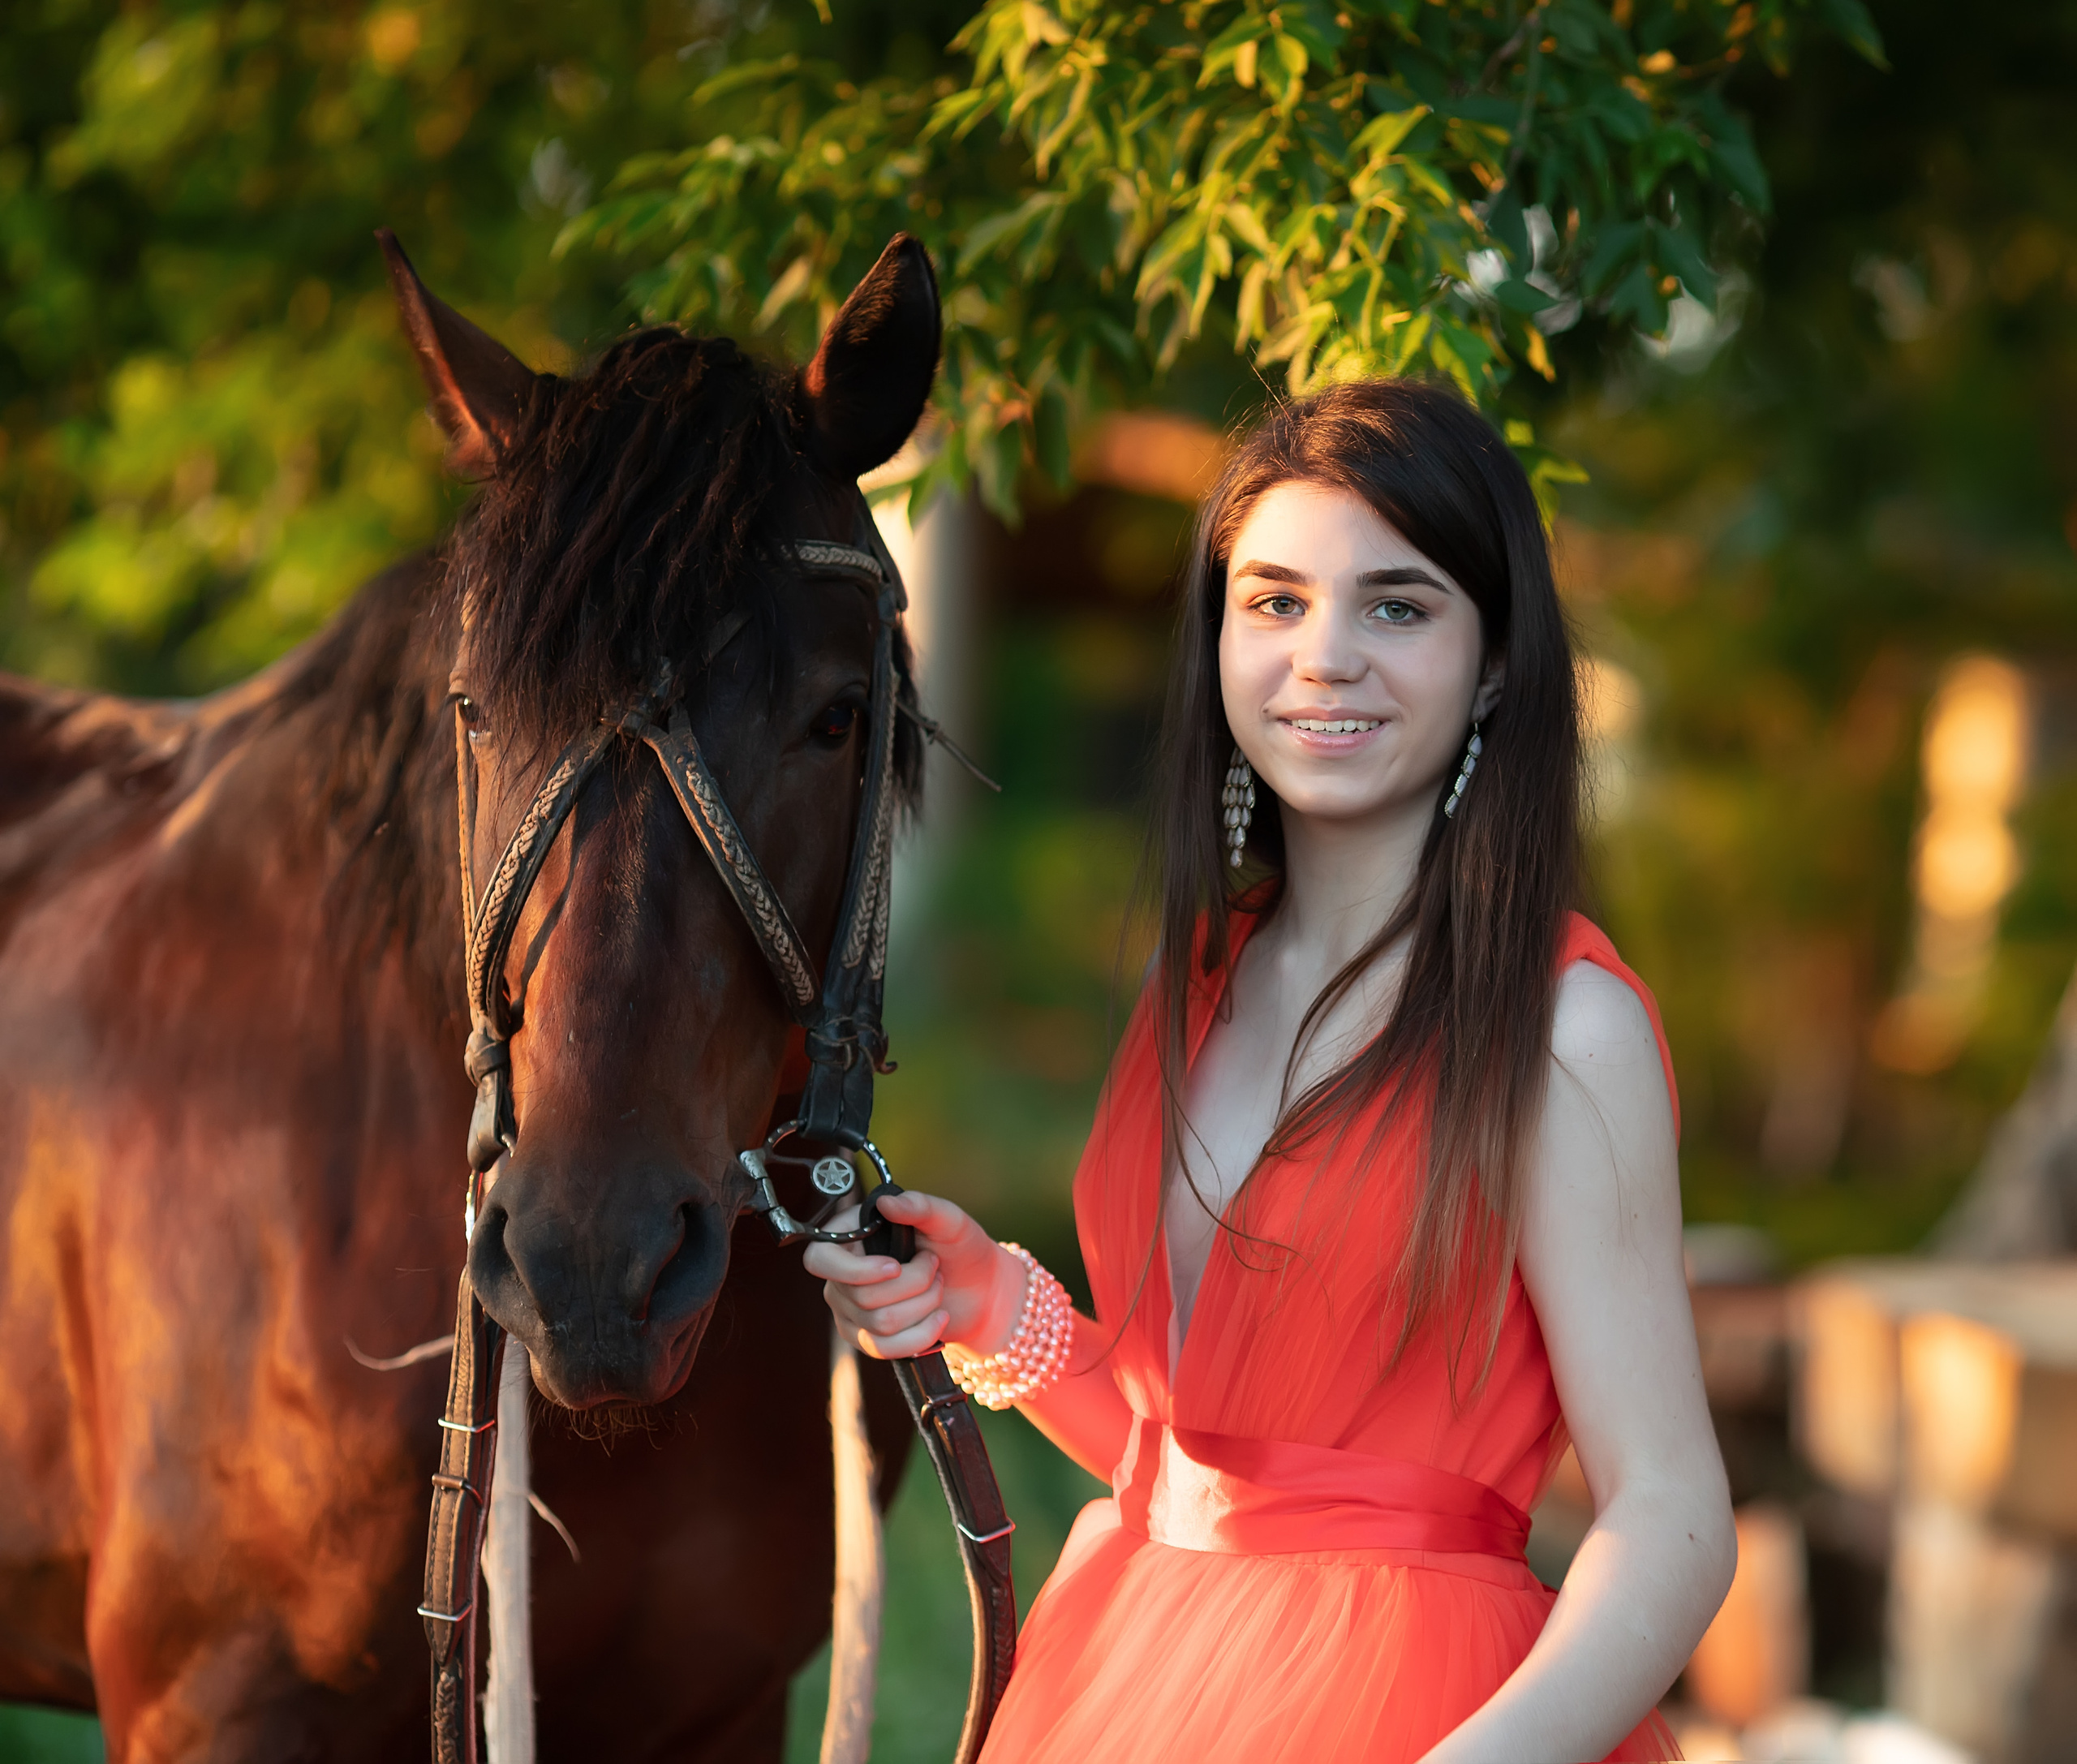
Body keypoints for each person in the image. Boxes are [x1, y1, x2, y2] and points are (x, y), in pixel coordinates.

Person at [804, 380, 1735, 1764]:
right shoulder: (1199, 986)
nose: (1327, 657)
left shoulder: (1559, 1027)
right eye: (1277, 600)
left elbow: (1672, 1516)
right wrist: (992, 1303)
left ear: (1493, 662)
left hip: (1422, 1713)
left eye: (1398, 605)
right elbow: (1197, 1463)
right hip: (1126, 1675)